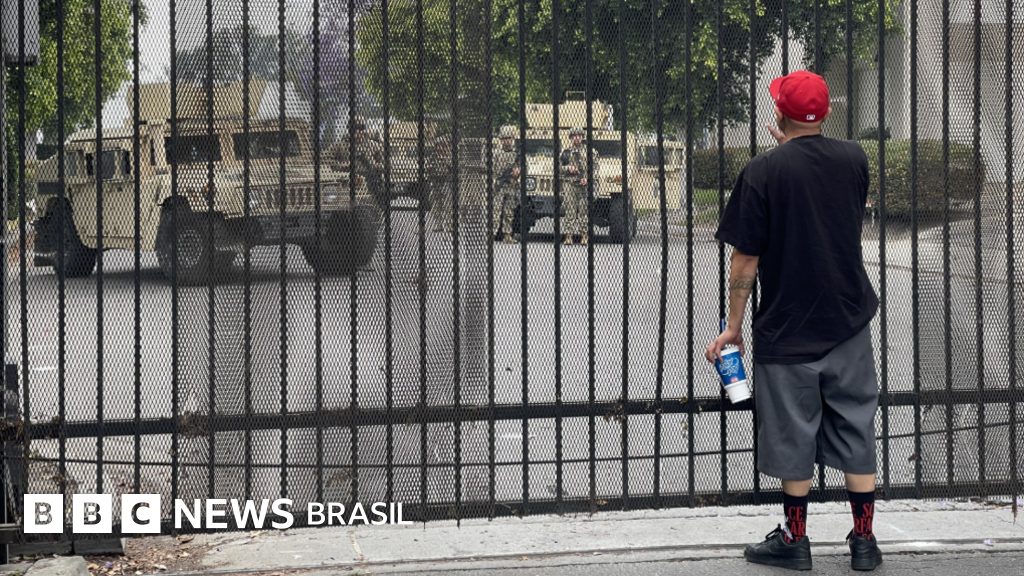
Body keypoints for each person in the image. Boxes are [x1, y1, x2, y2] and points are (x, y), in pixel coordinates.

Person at [704, 70, 882, 572]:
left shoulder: (762, 171)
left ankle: (795, 539)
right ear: (825, 114)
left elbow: (745, 259)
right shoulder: (855, 160)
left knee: (793, 431)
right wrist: (795, 144)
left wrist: (734, 324)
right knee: (855, 426)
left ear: (779, 114)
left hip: (788, 327)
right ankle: (864, 542)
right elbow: (823, 190)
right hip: (847, 319)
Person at [329, 115, 386, 212]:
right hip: (347, 189)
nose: (358, 131)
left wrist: (376, 165)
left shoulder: (374, 146)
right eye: (355, 128)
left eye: (361, 128)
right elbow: (324, 159)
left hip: (369, 188)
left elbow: (385, 165)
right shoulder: (339, 146)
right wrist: (339, 165)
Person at [559, 126, 599, 245]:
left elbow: (596, 169)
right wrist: (568, 168)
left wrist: (588, 179)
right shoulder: (565, 153)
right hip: (570, 184)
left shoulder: (591, 152)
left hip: (584, 185)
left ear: (582, 137)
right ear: (571, 138)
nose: (577, 138)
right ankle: (569, 236)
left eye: (579, 136)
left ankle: (584, 236)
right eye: (574, 136)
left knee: (583, 212)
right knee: (569, 211)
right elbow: (558, 168)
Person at [493, 125, 521, 243]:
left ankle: (507, 235)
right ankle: (492, 234)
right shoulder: (496, 153)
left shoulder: (516, 154)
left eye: (508, 138)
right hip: (499, 185)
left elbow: (523, 167)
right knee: (495, 211)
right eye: (504, 138)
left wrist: (518, 171)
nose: (507, 141)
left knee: (509, 212)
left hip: (511, 185)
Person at [427, 135, 454, 232]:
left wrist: (445, 160)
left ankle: (450, 224)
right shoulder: (433, 156)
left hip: (446, 182)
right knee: (435, 205)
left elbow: (453, 167)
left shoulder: (450, 156)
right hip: (435, 182)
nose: (440, 148)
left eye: (442, 146)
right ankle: (439, 224)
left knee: (447, 205)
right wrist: (429, 167)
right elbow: (428, 166)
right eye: (438, 146)